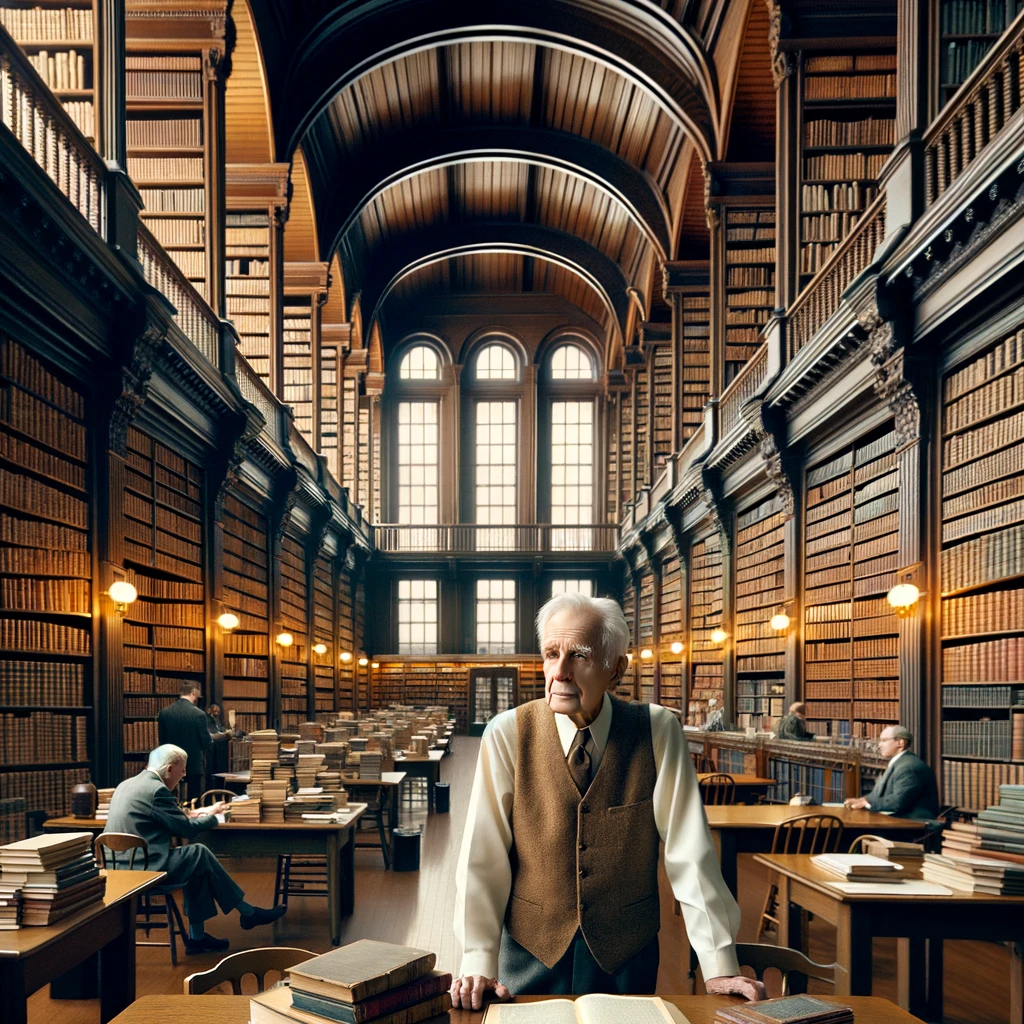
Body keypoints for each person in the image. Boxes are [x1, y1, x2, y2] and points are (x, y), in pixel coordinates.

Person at [451, 592, 763, 1010]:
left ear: (616, 668)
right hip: (528, 952)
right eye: (550, 654)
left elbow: (690, 851)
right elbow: (482, 856)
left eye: (578, 655)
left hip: (626, 955)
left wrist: (719, 961)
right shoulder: (507, 733)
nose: (559, 672)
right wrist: (477, 960)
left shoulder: (658, 731)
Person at [104, 744, 286, 953]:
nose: (183, 776)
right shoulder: (157, 790)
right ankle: (247, 912)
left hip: (117, 868)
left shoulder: (126, 784)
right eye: (182, 772)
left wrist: (203, 811)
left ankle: (198, 938)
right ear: (170, 769)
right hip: (145, 869)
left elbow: (168, 816)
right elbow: (186, 830)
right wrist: (216, 818)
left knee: (195, 865)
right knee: (198, 852)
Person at [844, 726, 939, 820]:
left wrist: (867, 803)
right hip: (898, 822)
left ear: (900, 743)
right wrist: (863, 800)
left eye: (884, 740)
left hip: (911, 827)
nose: (879, 745)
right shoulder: (900, 762)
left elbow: (897, 802)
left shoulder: (908, 767)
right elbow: (880, 793)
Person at [158, 682, 213, 802]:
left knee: (171, 796)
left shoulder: (164, 713)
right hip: (193, 764)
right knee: (194, 797)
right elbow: (206, 742)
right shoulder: (199, 714)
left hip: (171, 763)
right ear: (193, 694)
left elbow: (162, 742)